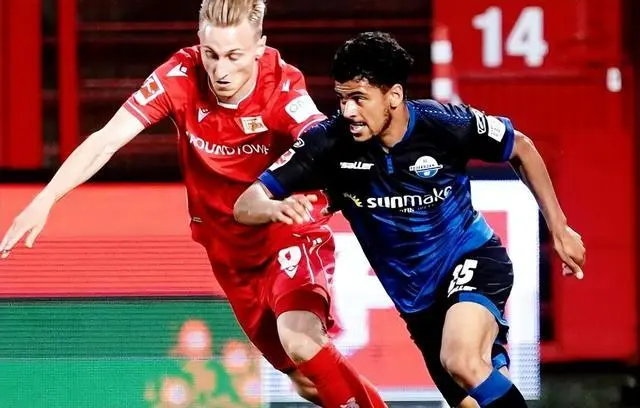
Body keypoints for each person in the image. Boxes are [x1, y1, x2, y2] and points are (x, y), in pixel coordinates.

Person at [0, 2, 387, 407]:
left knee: (302, 340)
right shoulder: (180, 75)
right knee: (305, 380)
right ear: (199, 43)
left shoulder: (282, 86)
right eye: (211, 54)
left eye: (234, 56)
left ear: (259, 47)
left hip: (285, 230)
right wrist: (45, 199)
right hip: (228, 251)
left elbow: (320, 138)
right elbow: (106, 140)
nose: (221, 71)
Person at [233, 31, 586, 408]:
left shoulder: (443, 124)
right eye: (342, 98)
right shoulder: (329, 143)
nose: (348, 111)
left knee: (462, 360)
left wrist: (559, 227)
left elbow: (522, 148)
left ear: (394, 96)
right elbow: (246, 203)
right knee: (472, 396)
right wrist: (273, 208)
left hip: (471, 258)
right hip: (417, 306)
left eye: (359, 98)